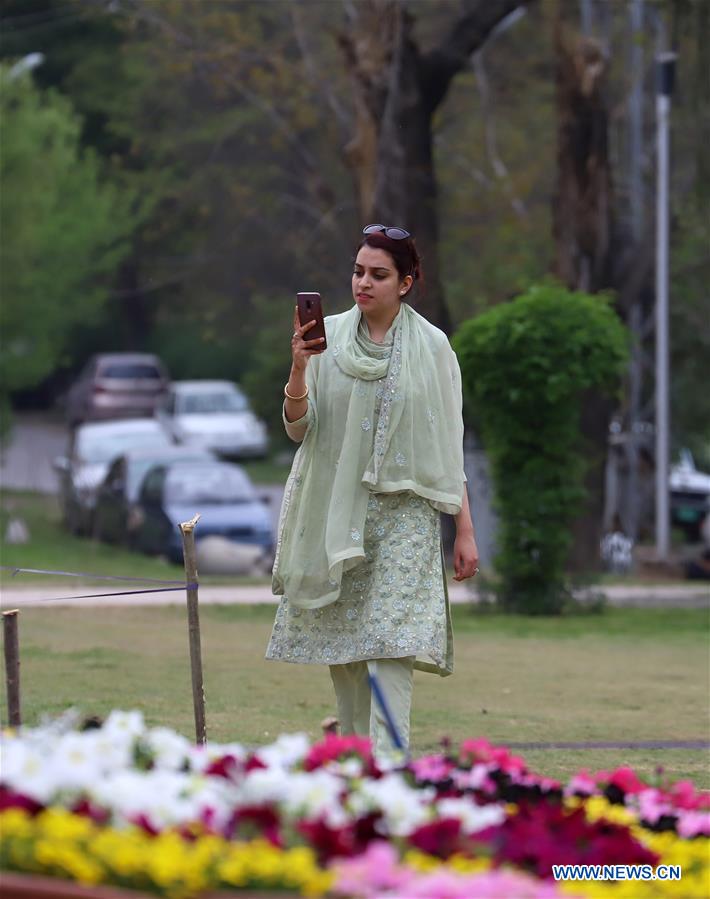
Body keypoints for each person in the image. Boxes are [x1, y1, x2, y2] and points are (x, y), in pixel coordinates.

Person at [265, 224, 479, 757]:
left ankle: (391, 769)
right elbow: (297, 427)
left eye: (379, 275)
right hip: (336, 509)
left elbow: (446, 445)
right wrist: (298, 367)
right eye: (359, 272)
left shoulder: (433, 347)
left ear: (405, 283)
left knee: (392, 647)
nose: (364, 283)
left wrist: (464, 531)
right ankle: (356, 769)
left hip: (406, 512)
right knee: (349, 657)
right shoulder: (328, 337)